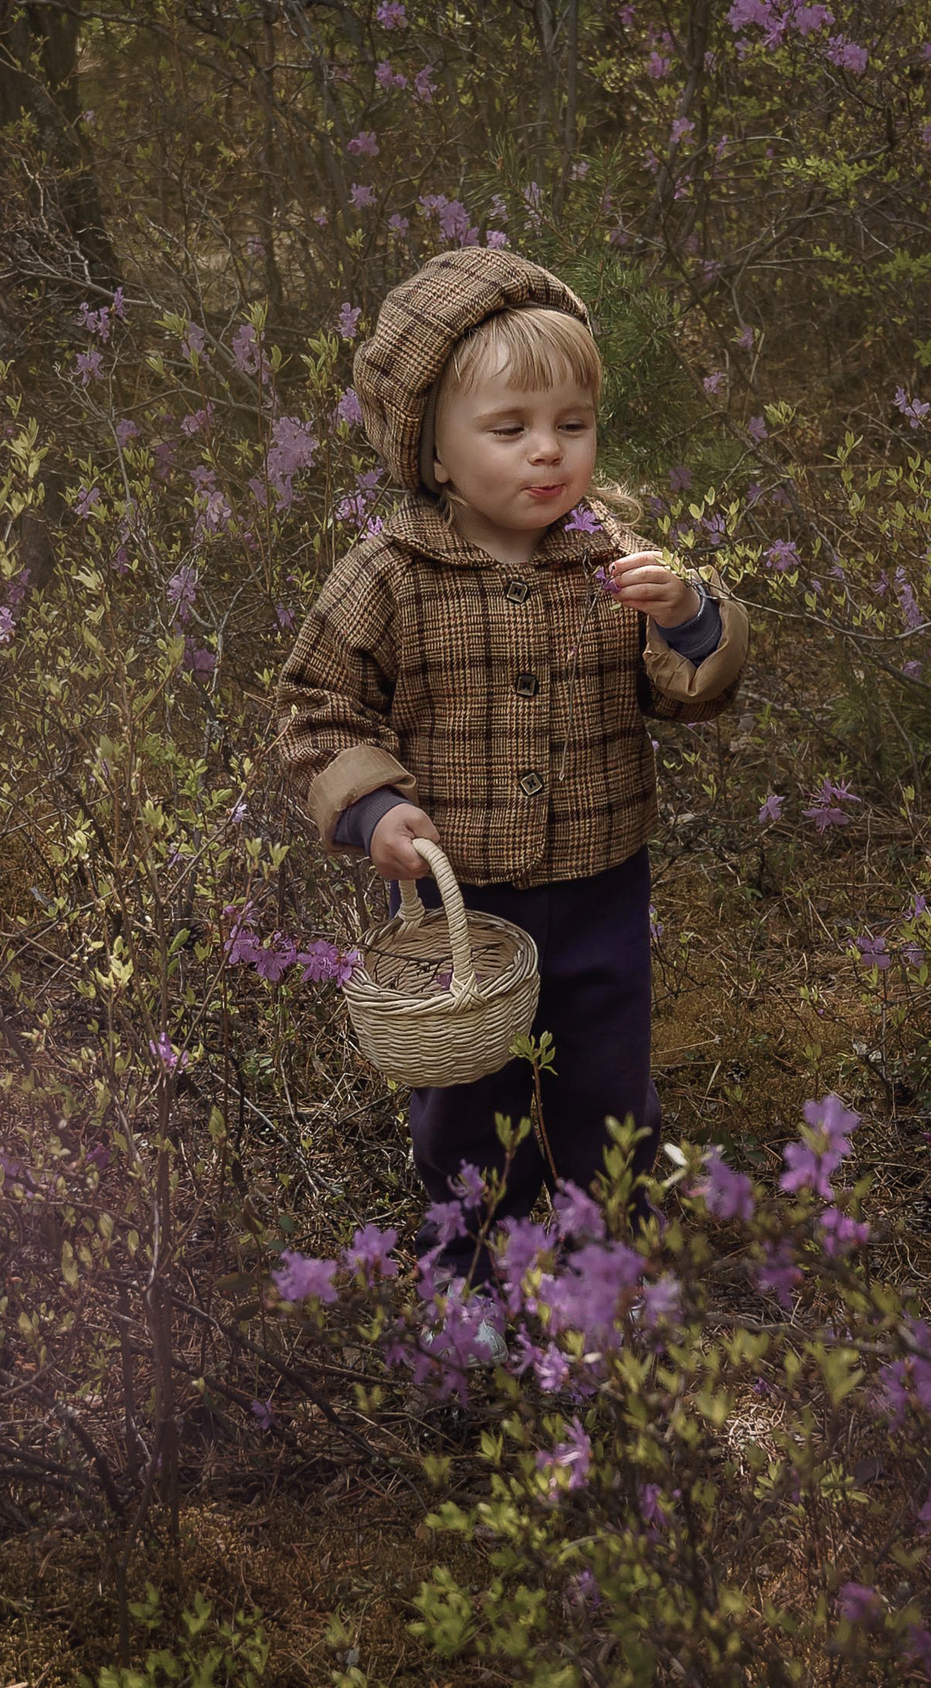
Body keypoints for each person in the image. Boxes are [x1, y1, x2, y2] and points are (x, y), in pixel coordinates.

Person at [273, 247, 748, 1286]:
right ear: (433, 452)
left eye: (571, 426)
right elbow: (318, 704)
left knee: (606, 1086)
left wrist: (689, 615)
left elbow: (691, 690)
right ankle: (474, 1272)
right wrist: (373, 805)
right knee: (467, 1098)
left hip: (600, 881)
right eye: (509, 430)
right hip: (462, 900)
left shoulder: (610, 555)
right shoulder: (389, 571)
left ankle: (598, 1261)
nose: (549, 454)